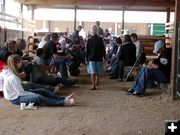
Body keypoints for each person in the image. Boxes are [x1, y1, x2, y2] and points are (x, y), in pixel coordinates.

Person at [3, 54, 75, 106]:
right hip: (15, 98)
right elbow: (20, 93)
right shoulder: (12, 77)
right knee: (38, 97)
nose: (22, 63)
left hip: (17, 93)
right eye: (20, 62)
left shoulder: (10, 71)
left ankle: (62, 99)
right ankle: (62, 103)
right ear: (16, 63)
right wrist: (33, 94)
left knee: (42, 90)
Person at [86, 25, 106, 90]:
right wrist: (86, 57)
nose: (93, 30)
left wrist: (104, 57)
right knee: (92, 72)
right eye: (92, 29)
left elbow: (103, 48)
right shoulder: (89, 39)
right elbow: (87, 49)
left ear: (96, 30)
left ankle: (97, 78)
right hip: (91, 57)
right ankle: (93, 85)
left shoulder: (100, 39)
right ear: (91, 30)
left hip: (98, 57)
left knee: (97, 71)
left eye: (95, 29)